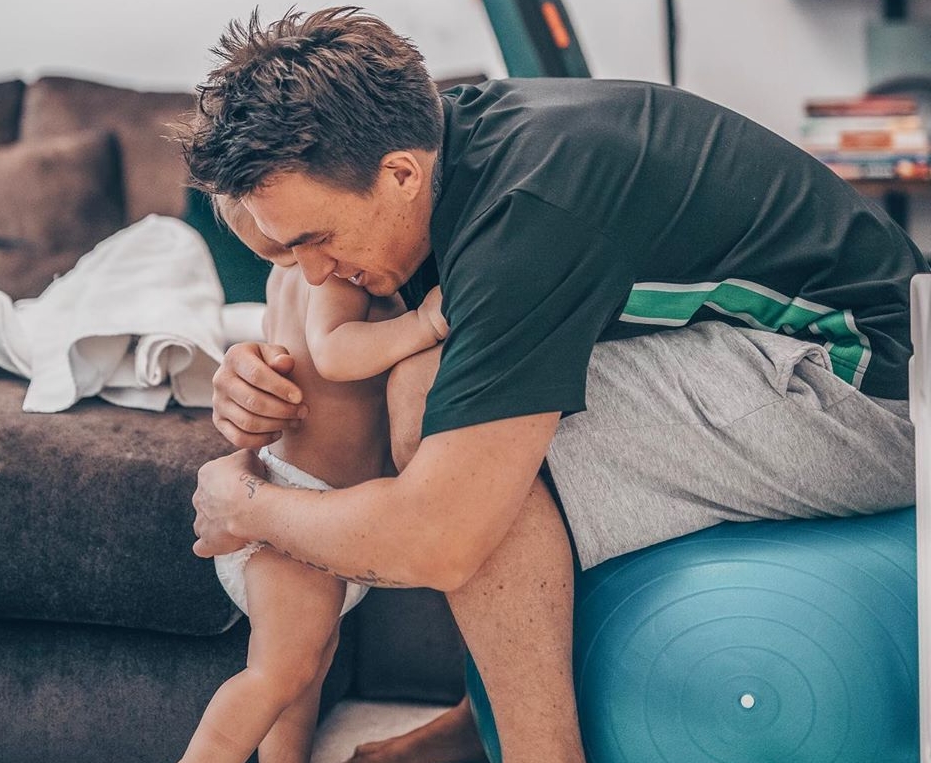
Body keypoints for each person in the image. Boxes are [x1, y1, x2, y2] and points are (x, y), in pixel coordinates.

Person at [182, 7, 926, 763]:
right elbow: (349, 337)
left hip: (872, 394)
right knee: (444, 387)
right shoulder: (446, 150)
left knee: (437, 410)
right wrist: (251, 375)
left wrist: (248, 506)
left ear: (401, 174)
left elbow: (438, 539)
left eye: (316, 240)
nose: (312, 273)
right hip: (785, 351)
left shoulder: (525, 216)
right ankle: (483, 721)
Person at [179, 195, 449, 763]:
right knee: (278, 675)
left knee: (303, 674)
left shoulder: (286, 274)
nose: (309, 262)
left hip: (306, 501)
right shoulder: (331, 270)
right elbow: (334, 352)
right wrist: (422, 323)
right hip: (298, 506)